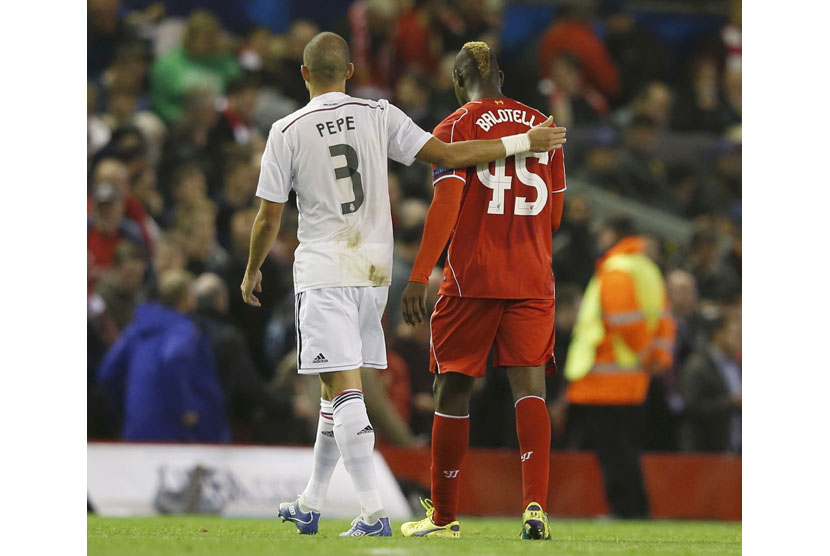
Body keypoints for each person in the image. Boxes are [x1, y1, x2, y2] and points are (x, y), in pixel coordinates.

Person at [239, 32, 566, 538]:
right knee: (339, 388)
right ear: (350, 71)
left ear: (305, 74)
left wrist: (252, 266)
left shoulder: (287, 129)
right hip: (388, 273)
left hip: (341, 270)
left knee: (368, 387)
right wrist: (526, 143)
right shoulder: (381, 113)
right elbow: (492, 178)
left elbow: (268, 217)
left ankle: (387, 513)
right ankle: (312, 501)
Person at [399, 41, 566, 541]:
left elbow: (446, 207)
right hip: (533, 277)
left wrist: (418, 273)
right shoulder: (545, 126)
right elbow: (554, 216)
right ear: (502, 79)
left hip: (472, 277)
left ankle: (444, 515)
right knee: (530, 390)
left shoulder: (453, 128)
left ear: (457, 79)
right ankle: (535, 508)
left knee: (452, 386)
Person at [561, 216, 676, 519]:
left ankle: (625, 509)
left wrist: (645, 354)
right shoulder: (648, 269)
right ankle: (634, 508)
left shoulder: (617, 269)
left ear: (613, 234)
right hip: (634, 377)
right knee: (626, 448)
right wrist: (657, 358)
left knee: (614, 451)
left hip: (607, 378)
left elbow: (623, 321)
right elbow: (664, 319)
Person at [97, 270, 231, 443]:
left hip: (136, 426)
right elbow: (171, 360)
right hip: (171, 430)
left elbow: (107, 372)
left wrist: (129, 400)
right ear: (186, 298)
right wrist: (184, 408)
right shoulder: (183, 329)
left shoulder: (136, 329)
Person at [678, 308, 741, 453]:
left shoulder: (737, 366)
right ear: (719, 335)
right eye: (737, 335)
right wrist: (732, 402)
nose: (741, 340)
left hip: (734, 450)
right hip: (705, 453)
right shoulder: (697, 365)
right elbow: (691, 407)